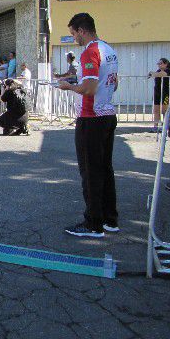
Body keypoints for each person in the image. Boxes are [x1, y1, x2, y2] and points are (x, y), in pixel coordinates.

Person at [58, 13, 119, 238]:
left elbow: (90, 88)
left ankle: (93, 223)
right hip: (107, 114)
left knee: (90, 172)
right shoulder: (108, 50)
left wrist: (68, 86)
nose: (74, 39)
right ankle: (110, 219)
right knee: (105, 169)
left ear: (82, 31)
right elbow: (114, 83)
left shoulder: (90, 52)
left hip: (91, 118)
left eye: (74, 34)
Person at [148, 58, 170, 132]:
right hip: (157, 92)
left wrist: (152, 73)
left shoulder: (167, 71)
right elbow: (155, 74)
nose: (159, 65)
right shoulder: (158, 71)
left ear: (165, 64)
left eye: (160, 63)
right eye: (158, 63)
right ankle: (155, 127)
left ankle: (165, 126)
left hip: (165, 93)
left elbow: (160, 75)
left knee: (164, 111)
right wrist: (152, 73)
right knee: (156, 110)